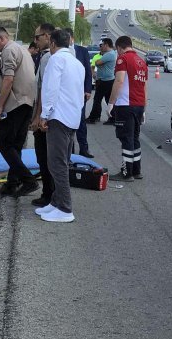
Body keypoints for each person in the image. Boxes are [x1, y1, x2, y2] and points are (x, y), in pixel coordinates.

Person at [33, 29, 86, 223]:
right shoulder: (77, 63)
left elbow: (50, 88)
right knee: (60, 161)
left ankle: (65, 208)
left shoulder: (55, 59)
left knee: (57, 164)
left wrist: (44, 115)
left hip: (59, 116)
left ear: (53, 43)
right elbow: (80, 93)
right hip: (72, 116)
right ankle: (55, 203)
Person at [0, 26, 37, 196]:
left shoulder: (9, 51)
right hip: (28, 102)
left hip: (15, 103)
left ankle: (28, 180)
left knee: (5, 145)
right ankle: (12, 182)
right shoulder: (23, 50)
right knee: (16, 146)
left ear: (2, 39)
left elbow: (8, 79)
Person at [108, 35, 148, 181]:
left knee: (126, 138)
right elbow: (145, 87)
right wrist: (144, 108)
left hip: (125, 105)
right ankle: (136, 170)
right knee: (135, 139)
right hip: (139, 105)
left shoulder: (122, 59)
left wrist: (111, 102)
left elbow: (119, 81)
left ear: (119, 47)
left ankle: (126, 172)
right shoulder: (141, 62)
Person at [29, 23, 57, 207]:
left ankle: (48, 195)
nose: (35, 41)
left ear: (47, 37)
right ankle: (52, 193)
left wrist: (37, 117)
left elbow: (43, 90)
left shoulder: (48, 58)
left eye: (37, 37)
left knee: (44, 157)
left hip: (45, 116)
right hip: (55, 115)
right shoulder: (66, 56)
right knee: (52, 159)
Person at [69, 30, 94, 158]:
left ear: (72, 38)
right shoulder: (59, 52)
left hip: (80, 93)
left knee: (81, 121)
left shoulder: (82, 51)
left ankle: (84, 149)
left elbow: (88, 72)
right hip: (67, 94)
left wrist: (88, 90)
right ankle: (70, 151)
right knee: (67, 123)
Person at [87, 38, 116, 124]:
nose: (101, 47)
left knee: (97, 99)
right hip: (107, 80)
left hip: (105, 81)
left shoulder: (109, 54)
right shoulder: (110, 54)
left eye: (102, 45)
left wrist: (98, 62)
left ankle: (93, 117)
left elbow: (97, 62)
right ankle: (112, 117)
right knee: (108, 99)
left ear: (106, 45)